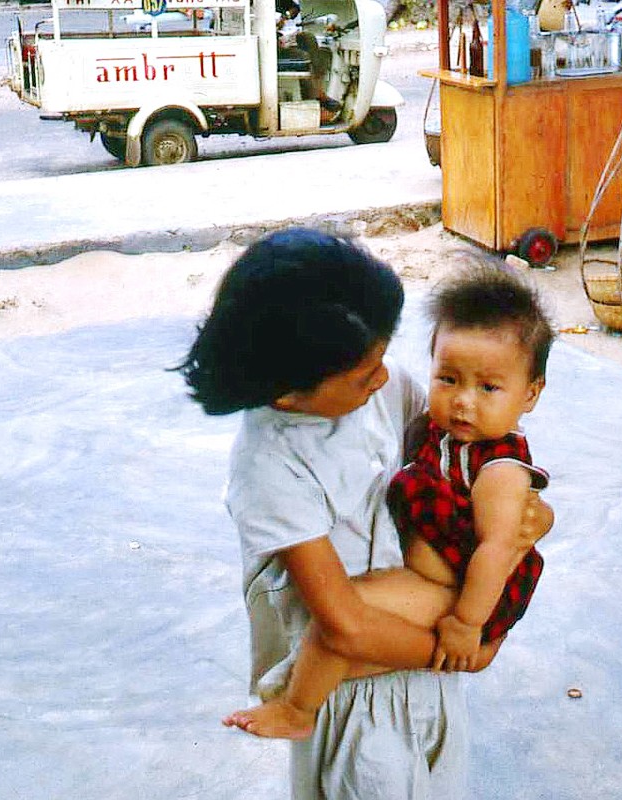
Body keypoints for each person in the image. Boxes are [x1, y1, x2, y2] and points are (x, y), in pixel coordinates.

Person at [178, 229, 554, 798]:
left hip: (427, 667)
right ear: (287, 394)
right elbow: (345, 625)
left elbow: (476, 467)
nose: (385, 377)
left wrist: (533, 515)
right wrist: (465, 654)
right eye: (364, 373)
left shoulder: (378, 390)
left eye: (383, 356)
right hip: (350, 691)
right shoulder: (270, 469)